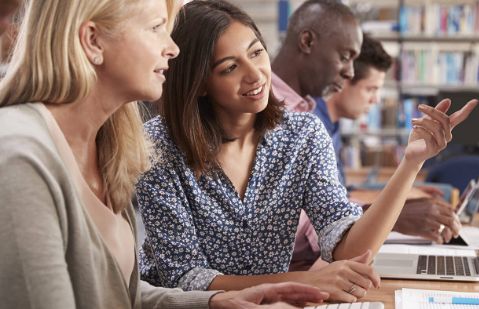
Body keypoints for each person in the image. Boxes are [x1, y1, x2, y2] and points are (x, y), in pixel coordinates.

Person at [136, 0, 478, 303]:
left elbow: (349, 245)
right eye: (230, 67)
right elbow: (183, 278)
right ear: (198, 83)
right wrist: (303, 281)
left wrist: (411, 163)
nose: (256, 74)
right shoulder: (158, 147)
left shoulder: (302, 134)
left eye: (256, 53)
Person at [0, 0, 328, 308]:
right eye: (156, 27)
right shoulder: (21, 157)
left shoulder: (109, 147)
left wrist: (214, 302)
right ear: (93, 41)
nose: (172, 49)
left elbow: (114, 292)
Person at [270, 0, 462, 271]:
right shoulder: (273, 115)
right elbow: (312, 232)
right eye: (345, 57)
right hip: (290, 274)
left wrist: (406, 175)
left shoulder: (305, 115)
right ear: (307, 41)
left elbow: (326, 215)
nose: (349, 73)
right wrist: (391, 214)